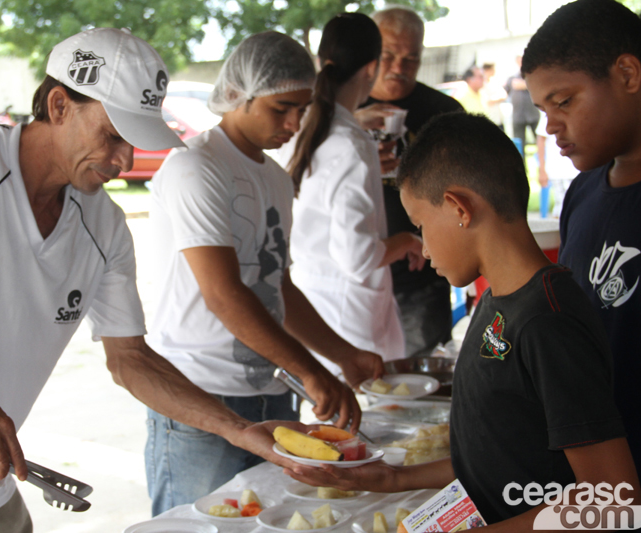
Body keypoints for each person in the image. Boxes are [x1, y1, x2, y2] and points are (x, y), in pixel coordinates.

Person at [0, 28, 310, 531]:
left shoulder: (105, 225)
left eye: (133, 142)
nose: (124, 163)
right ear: (59, 105)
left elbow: (131, 360)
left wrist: (242, 431)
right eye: (113, 136)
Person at [282, 112, 641, 528]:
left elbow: (616, 501)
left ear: (458, 208)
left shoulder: (548, 321)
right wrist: (393, 477)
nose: (425, 248)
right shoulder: (497, 301)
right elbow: (500, 459)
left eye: (420, 225)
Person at [145, 31, 383, 516]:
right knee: (200, 525)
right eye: (281, 109)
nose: (295, 123)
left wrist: (342, 355)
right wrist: (312, 371)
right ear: (239, 96)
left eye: (303, 108)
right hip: (203, 399)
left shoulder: (273, 178)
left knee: (270, 521)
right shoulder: (197, 168)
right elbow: (225, 295)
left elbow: (277, 287)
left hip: (270, 395)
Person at [522, 0, 641, 513]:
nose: (552, 127)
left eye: (564, 101)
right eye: (542, 112)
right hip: (600, 489)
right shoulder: (583, 193)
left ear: (626, 73)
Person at [285, 13, 424, 379]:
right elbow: (358, 256)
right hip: (349, 316)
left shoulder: (300, 128)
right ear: (372, 68)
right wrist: (408, 240)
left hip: (314, 302)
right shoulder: (349, 143)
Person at [354, 6, 464, 359]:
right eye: (388, 56)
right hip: (355, 279)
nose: (399, 68)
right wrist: (350, 126)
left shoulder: (444, 112)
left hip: (423, 275)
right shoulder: (342, 111)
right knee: (364, 387)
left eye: (411, 59)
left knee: (425, 386)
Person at [535, 111, 578, 217]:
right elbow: (541, 139)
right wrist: (542, 170)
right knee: (561, 207)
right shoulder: (549, 114)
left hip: (577, 170)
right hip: (557, 170)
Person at [504, 55, 541, 157]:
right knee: (519, 145)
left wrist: (525, 84)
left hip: (533, 115)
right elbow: (505, 91)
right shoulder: (512, 78)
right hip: (518, 116)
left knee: (540, 141)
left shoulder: (533, 76)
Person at [481, 62, 508, 130]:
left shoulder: (494, 81)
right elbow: (488, 101)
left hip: (499, 118)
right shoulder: (482, 84)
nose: (494, 71)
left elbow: (504, 95)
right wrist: (497, 98)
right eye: (493, 69)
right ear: (487, 70)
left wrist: (495, 99)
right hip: (489, 118)